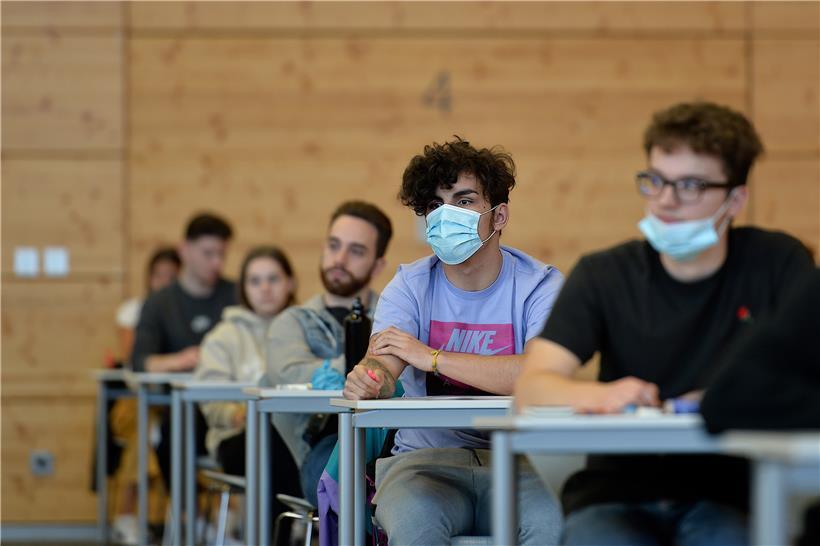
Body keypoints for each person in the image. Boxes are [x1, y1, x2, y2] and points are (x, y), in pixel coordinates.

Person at [515, 101, 816, 546]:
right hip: (615, 493)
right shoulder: (604, 273)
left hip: (728, 494)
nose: (666, 199)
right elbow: (533, 387)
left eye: (690, 185)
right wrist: (602, 395)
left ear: (735, 199)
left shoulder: (779, 263)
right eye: (655, 180)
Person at [343, 137, 564, 544]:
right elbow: (384, 363)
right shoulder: (409, 284)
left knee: (554, 525)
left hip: (523, 465)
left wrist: (432, 357)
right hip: (424, 464)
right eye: (434, 206)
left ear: (499, 216)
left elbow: (540, 375)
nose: (446, 215)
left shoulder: (541, 285)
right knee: (415, 525)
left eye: (463, 201)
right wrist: (371, 377)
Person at [266, 200, 393, 507]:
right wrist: (375, 365)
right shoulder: (293, 321)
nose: (339, 258)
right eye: (334, 245)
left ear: (377, 265)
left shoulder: (397, 318)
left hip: (395, 441)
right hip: (324, 442)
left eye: (356, 251)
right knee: (347, 486)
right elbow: (288, 374)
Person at [130, 212, 236, 491]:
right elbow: (139, 362)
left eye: (222, 254)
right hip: (182, 410)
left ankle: (246, 520)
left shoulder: (236, 295)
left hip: (233, 405)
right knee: (174, 431)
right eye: (208, 253)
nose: (216, 262)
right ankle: (188, 515)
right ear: (184, 250)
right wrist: (182, 360)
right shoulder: (158, 304)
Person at [195, 246, 297, 474]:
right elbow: (209, 401)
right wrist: (241, 416)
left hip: (296, 434)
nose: (265, 288)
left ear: (290, 283)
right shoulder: (222, 336)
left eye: (273, 279)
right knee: (274, 443)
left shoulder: (306, 330)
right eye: (255, 281)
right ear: (243, 288)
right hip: (237, 437)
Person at [109, 247, 180, 544]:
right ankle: (127, 516)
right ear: (149, 278)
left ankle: (173, 519)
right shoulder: (135, 310)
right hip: (138, 402)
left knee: (173, 437)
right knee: (146, 439)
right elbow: (135, 357)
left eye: (171, 276)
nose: (164, 281)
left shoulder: (183, 311)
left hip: (176, 402)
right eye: (158, 275)